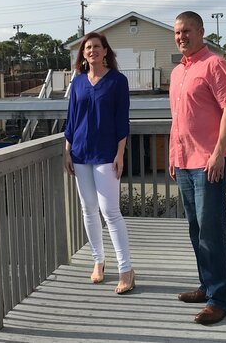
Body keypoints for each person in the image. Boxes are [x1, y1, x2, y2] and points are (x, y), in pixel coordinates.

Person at [169, 11, 226, 324]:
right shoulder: (177, 73)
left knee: (212, 231)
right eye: (177, 33)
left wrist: (219, 154)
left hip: (208, 162)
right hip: (184, 162)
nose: (181, 36)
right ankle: (206, 285)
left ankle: (219, 299)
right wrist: (173, 155)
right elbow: (178, 120)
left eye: (186, 31)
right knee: (196, 230)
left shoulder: (215, 64)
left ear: (200, 31)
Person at [63, 32, 135, 294]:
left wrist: (120, 153)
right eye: (87, 47)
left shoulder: (117, 81)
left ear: (106, 51)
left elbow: (122, 121)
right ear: (83, 54)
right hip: (80, 154)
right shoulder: (79, 82)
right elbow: (71, 120)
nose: (92, 50)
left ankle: (126, 270)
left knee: (110, 212)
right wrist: (67, 151)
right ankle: (98, 261)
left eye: (97, 46)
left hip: (106, 154)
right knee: (88, 210)